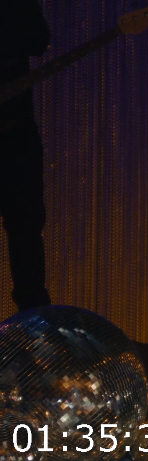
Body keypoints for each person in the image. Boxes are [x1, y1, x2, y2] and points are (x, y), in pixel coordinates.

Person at [0, 0, 53, 312]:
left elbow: (38, 41)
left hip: (17, 135)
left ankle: (34, 323)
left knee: (26, 231)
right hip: (18, 135)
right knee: (25, 230)